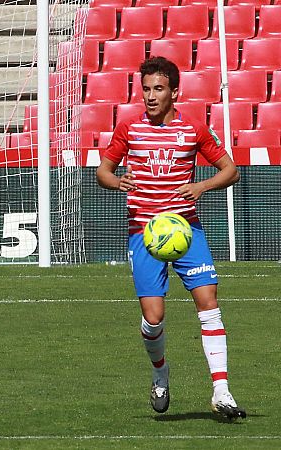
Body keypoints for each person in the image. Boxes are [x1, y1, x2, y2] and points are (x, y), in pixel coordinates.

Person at [96, 56, 245, 419]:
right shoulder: (129, 128)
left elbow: (231, 170)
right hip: (144, 234)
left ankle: (222, 391)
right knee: (154, 317)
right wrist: (116, 182)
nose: (149, 96)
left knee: (209, 304)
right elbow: (104, 170)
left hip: (186, 229)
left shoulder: (193, 128)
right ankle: (160, 370)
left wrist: (202, 186)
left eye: (158, 89)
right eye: (145, 89)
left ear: (174, 92)